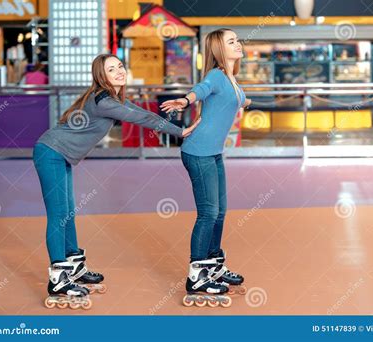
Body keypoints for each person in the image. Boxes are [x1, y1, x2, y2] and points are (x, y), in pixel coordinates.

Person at [34, 54, 200, 309]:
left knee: (67, 213)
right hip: (51, 152)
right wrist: (179, 131)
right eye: (112, 69)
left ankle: (74, 266)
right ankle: (58, 279)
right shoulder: (103, 101)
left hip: (59, 154)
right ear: (103, 77)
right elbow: (141, 119)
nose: (119, 71)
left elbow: (139, 111)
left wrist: (172, 121)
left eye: (120, 66)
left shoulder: (111, 98)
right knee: (59, 215)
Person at [161, 28, 252, 307]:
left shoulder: (231, 79)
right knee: (208, 213)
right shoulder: (215, 76)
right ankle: (197, 275)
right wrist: (185, 100)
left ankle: (213, 264)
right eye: (231, 41)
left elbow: (229, 100)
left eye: (237, 40)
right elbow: (201, 91)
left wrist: (245, 101)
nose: (238, 44)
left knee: (220, 212)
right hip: (198, 151)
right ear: (218, 50)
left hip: (213, 152)